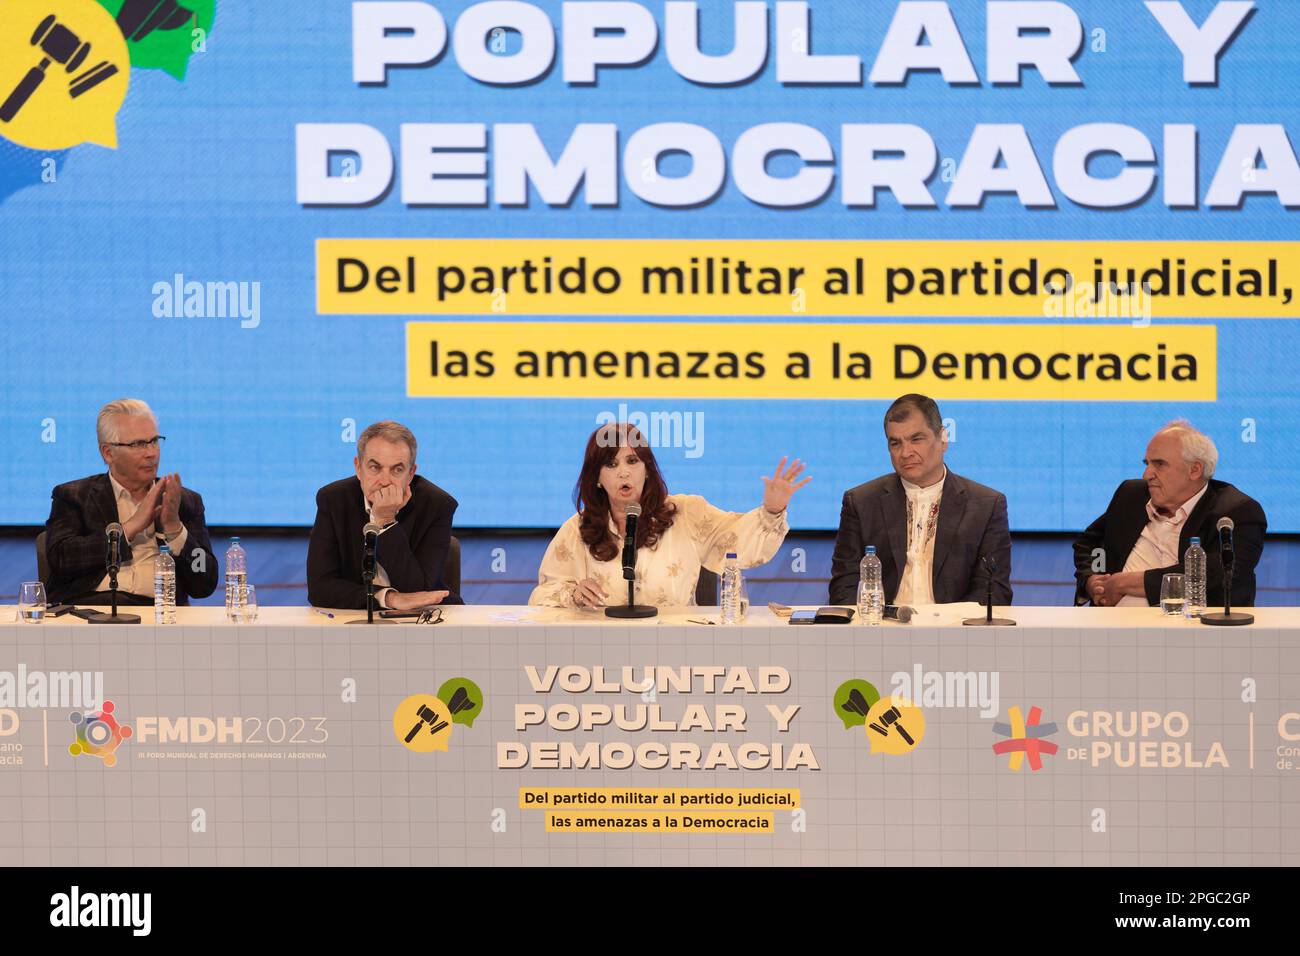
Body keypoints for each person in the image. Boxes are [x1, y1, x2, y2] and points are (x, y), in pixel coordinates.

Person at [529, 422, 809, 608]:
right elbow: (541, 596)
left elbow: (740, 549)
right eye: (611, 464)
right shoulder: (577, 530)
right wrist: (572, 594)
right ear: (597, 478)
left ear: (647, 469)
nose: (624, 472)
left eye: (632, 461)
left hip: (677, 655)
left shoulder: (686, 514)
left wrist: (772, 510)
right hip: (601, 656)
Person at [828, 394, 1012, 606]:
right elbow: (844, 589)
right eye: (895, 443)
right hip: (880, 631)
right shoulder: (861, 502)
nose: (905, 453)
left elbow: (993, 592)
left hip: (955, 632)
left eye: (916, 439)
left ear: (943, 438)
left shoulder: (986, 505)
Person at [1073, 420, 1266, 608]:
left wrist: (1125, 583)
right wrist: (1093, 579)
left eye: (1159, 464)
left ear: (1194, 470)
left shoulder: (1237, 512)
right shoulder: (1131, 496)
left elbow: (1221, 572)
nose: (1146, 475)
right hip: (1110, 630)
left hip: (1195, 633)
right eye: (1146, 463)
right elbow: (1090, 544)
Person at [45, 398, 218, 605]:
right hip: (91, 611)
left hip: (159, 615)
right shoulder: (74, 496)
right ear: (108, 453)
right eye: (138, 444)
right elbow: (61, 559)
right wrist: (129, 528)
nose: (151, 453)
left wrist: (175, 530)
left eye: (154, 441)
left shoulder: (183, 501)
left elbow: (205, 581)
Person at [307, 421, 461, 609]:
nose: (385, 481)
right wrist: (387, 598)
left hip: (423, 620)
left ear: (411, 474)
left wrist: (386, 522)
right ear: (358, 467)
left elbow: (419, 593)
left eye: (397, 470)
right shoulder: (333, 500)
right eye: (375, 467)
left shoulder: (437, 505)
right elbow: (319, 589)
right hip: (353, 615)